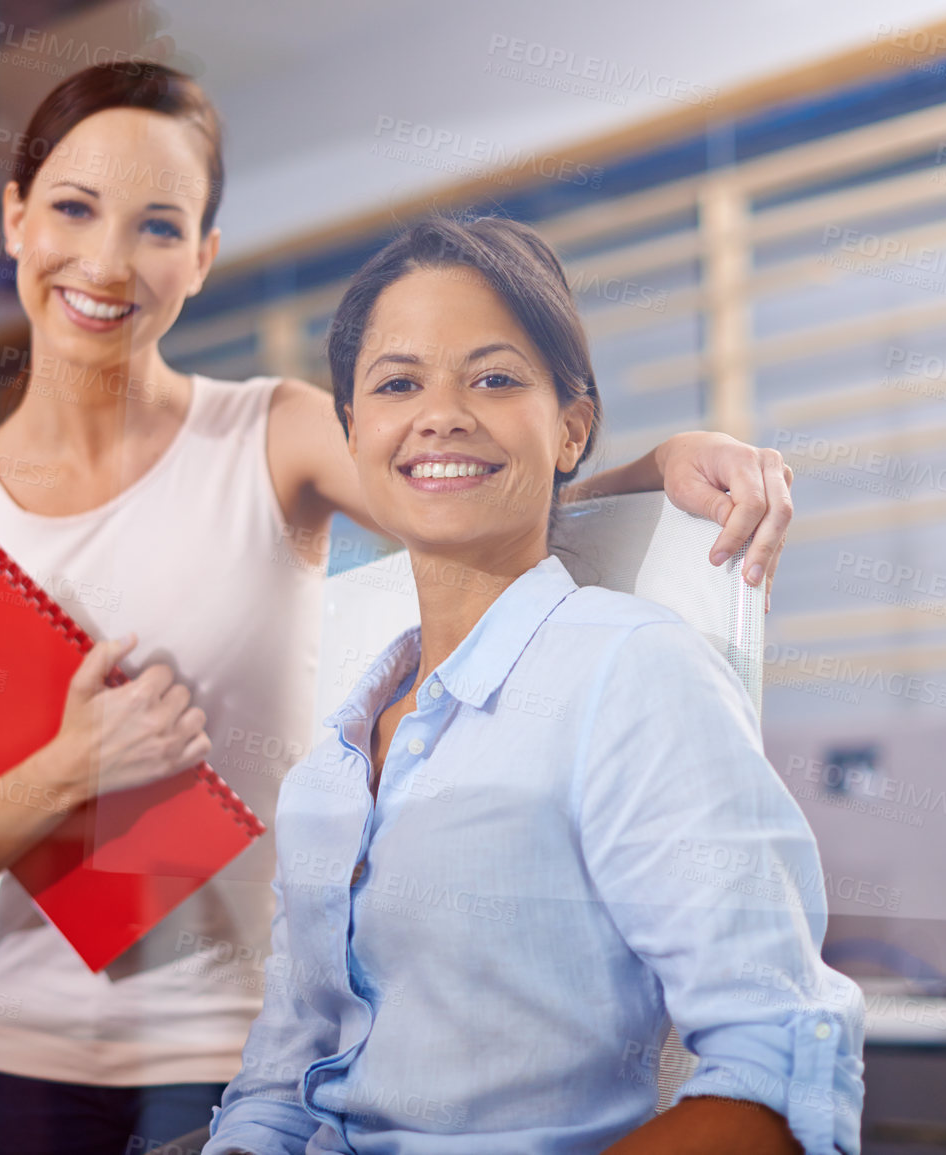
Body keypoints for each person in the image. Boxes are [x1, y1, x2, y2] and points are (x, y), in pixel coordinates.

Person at [0, 61, 799, 1155]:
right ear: (16, 218)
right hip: (26, 1050)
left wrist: (660, 465)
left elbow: (457, 495)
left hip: (251, 1042)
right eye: (72, 207)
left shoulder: (277, 432)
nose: (108, 261)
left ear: (202, 256)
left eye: (159, 225)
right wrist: (75, 766)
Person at [203, 216, 863, 1155]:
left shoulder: (630, 673)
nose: (441, 413)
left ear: (570, 430)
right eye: (397, 383)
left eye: (494, 378)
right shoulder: (331, 763)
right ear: (352, 435)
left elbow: (778, 1058)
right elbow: (278, 1083)